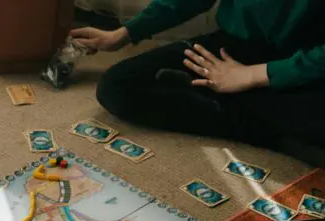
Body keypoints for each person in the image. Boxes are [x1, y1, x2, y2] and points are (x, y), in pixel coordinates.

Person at [70, 0, 325, 168]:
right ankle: (260, 121)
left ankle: (239, 107)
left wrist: (253, 75)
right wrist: (123, 35)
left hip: (306, 62)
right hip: (233, 46)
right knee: (117, 87)